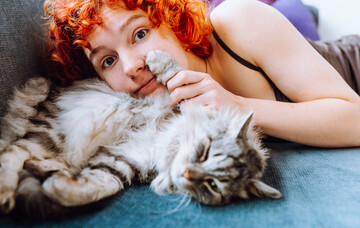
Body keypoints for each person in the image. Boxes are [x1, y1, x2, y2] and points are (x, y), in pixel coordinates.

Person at [44, 0, 360, 147]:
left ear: (170, 17)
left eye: (140, 34)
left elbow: (354, 119)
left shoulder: (239, 20)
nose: (131, 67)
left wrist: (238, 106)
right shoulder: (145, 105)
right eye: (108, 61)